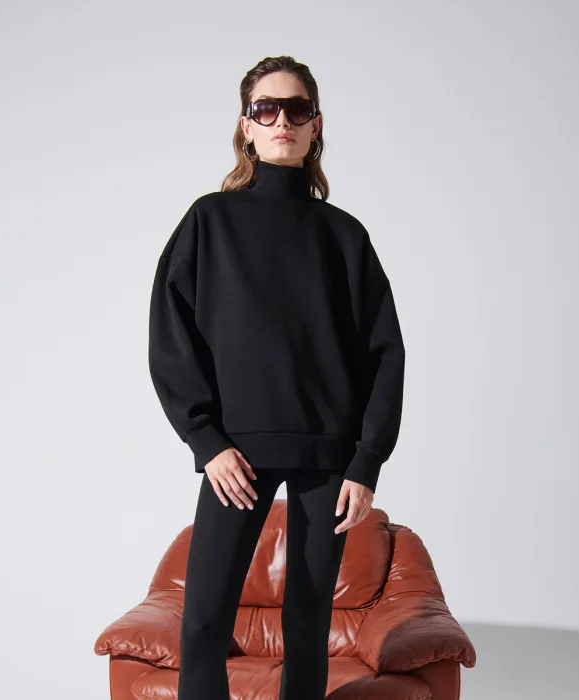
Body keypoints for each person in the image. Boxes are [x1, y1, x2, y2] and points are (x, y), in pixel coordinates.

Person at [148, 55, 406, 700]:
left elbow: (384, 353)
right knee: (204, 618)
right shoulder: (210, 220)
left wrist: (367, 462)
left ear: (316, 125)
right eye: (266, 108)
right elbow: (171, 337)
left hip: (330, 459)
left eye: (296, 109)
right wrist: (207, 441)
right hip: (236, 456)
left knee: (308, 622)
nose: (281, 120)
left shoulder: (344, 235)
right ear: (247, 126)